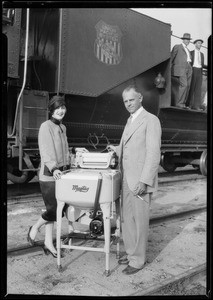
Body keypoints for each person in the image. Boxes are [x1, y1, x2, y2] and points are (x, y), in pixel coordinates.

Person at [107, 85, 161, 275]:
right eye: (125, 101)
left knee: (139, 221)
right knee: (127, 221)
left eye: (131, 100)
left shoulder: (150, 120)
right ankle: (131, 254)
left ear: (140, 98)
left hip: (139, 181)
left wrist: (145, 181)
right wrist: (116, 149)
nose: (128, 104)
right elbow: (131, 148)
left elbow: (154, 154)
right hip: (126, 179)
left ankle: (138, 261)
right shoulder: (130, 121)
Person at [27, 95, 71, 258]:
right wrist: (54, 169)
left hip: (62, 175)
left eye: (63, 107)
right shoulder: (46, 126)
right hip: (49, 175)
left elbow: (64, 150)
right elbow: (46, 151)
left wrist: (69, 164)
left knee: (57, 210)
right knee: (54, 211)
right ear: (51, 110)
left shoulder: (63, 128)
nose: (61, 110)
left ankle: (48, 243)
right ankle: (35, 227)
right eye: (58, 108)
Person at [171, 33, 193, 108]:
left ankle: (183, 103)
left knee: (188, 86)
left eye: (189, 40)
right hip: (181, 68)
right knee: (184, 85)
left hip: (189, 67)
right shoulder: (177, 47)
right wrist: (170, 68)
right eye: (186, 39)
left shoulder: (188, 50)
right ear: (183, 40)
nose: (187, 41)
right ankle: (179, 103)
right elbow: (172, 57)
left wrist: (190, 67)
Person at [186, 39, 205, 110]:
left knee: (198, 89)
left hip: (200, 71)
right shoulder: (191, 53)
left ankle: (196, 106)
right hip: (193, 70)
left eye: (201, 43)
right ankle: (188, 105)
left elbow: (202, 65)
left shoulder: (202, 54)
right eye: (199, 43)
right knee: (191, 87)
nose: (200, 44)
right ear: (195, 44)